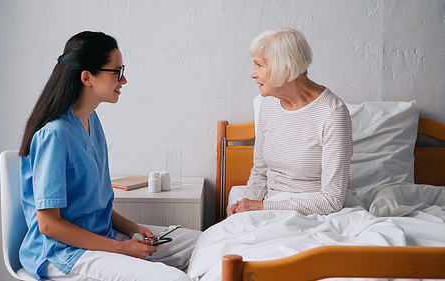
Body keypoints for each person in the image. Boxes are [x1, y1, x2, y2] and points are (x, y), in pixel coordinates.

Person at [18, 31, 200, 281]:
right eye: (117, 71)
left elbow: (93, 205)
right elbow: (49, 225)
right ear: (87, 77)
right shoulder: (54, 135)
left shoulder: (91, 120)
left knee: (205, 243)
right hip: (63, 252)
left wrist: (132, 229)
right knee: (174, 278)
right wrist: (122, 248)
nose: (123, 80)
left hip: (101, 237)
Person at [227, 28, 353, 217]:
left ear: (285, 68)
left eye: (259, 65)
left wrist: (262, 208)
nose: (253, 74)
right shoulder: (267, 104)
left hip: (314, 215)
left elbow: (331, 200)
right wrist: (246, 206)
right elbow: (260, 172)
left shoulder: (333, 113)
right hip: (268, 207)